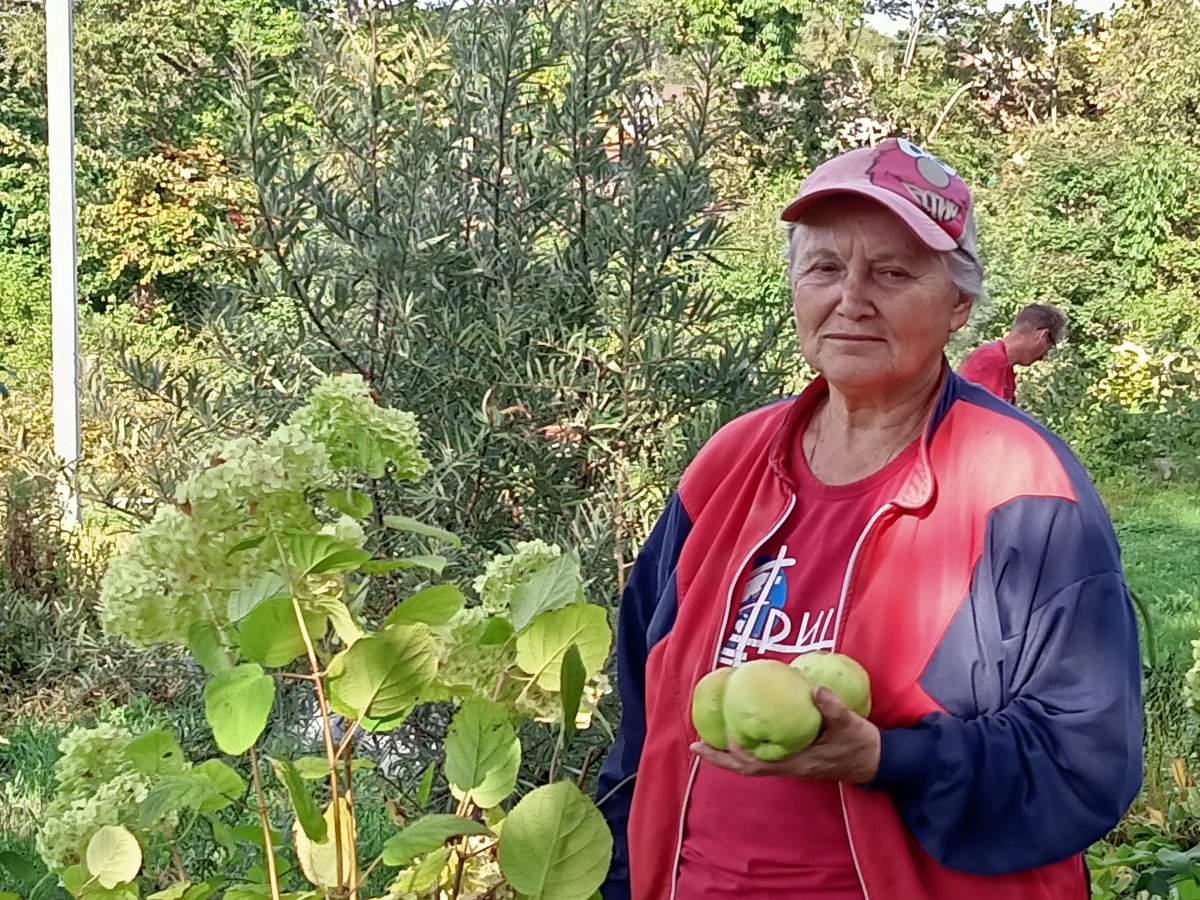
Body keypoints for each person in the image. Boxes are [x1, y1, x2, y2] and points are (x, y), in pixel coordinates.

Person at [595, 138, 1142, 900]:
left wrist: (886, 759)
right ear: (793, 285)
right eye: (824, 267)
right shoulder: (726, 466)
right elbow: (642, 724)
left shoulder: (1021, 487)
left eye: (892, 271)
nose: (851, 298)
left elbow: (1084, 759)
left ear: (958, 304)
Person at [958, 303, 1067, 403]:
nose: (1043, 357)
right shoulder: (990, 358)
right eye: (1049, 347)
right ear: (1042, 336)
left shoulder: (1006, 369)